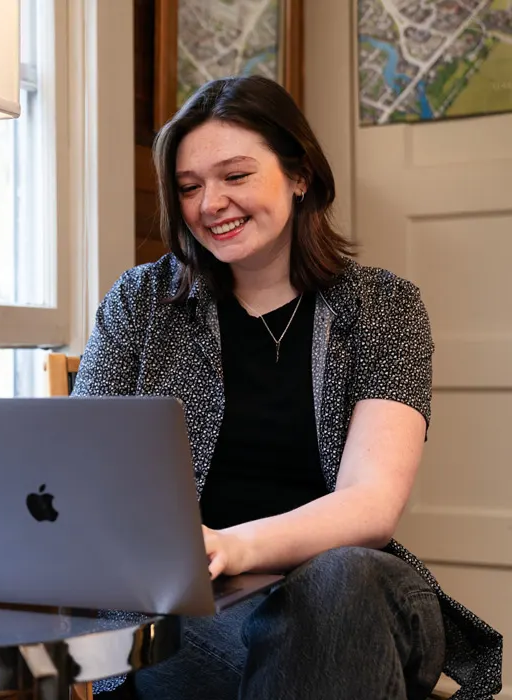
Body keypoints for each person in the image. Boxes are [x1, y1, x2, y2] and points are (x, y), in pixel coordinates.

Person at [72, 76, 502, 700]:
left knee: (343, 582)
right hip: (193, 612)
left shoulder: (383, 306)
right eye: (189, 187)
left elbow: (372, 505)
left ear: (299, 176)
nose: (209, 203)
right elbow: (79, 466)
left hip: (354, 596)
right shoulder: (142, 301)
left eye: (236, 176)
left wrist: (231, 547)